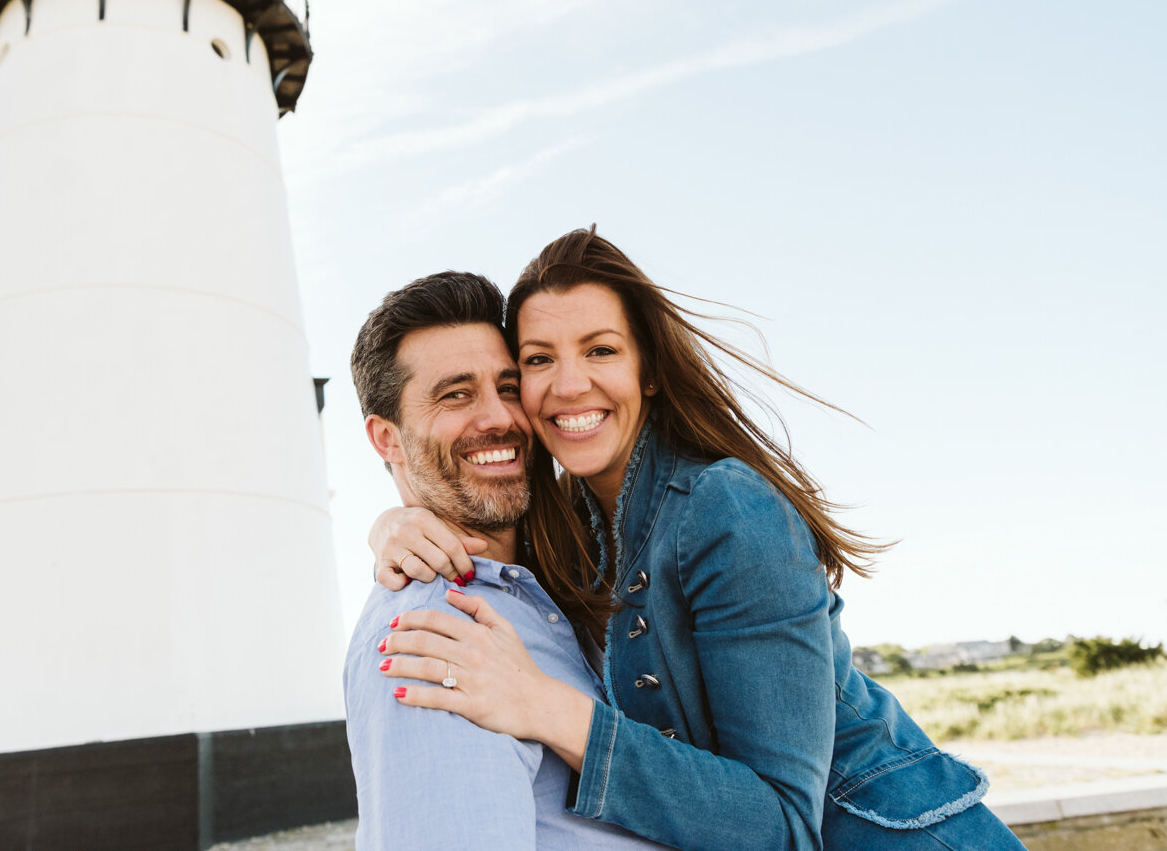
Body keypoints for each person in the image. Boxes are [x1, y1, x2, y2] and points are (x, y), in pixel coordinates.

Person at [370, 229, 1026, 850]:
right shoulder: (570, 526)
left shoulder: (727, 508)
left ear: (649, 372)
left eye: (601, 350)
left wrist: (549, 709)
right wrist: (396, 522)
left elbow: (784, 826)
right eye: (539, 360)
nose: (569, 384)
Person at [344, 270, 671, 851]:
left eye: (509, 386)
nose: (500, 418)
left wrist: (389, 523)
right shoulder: (434, 635)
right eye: (456, 394)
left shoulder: (558, 572)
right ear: (387, 439)